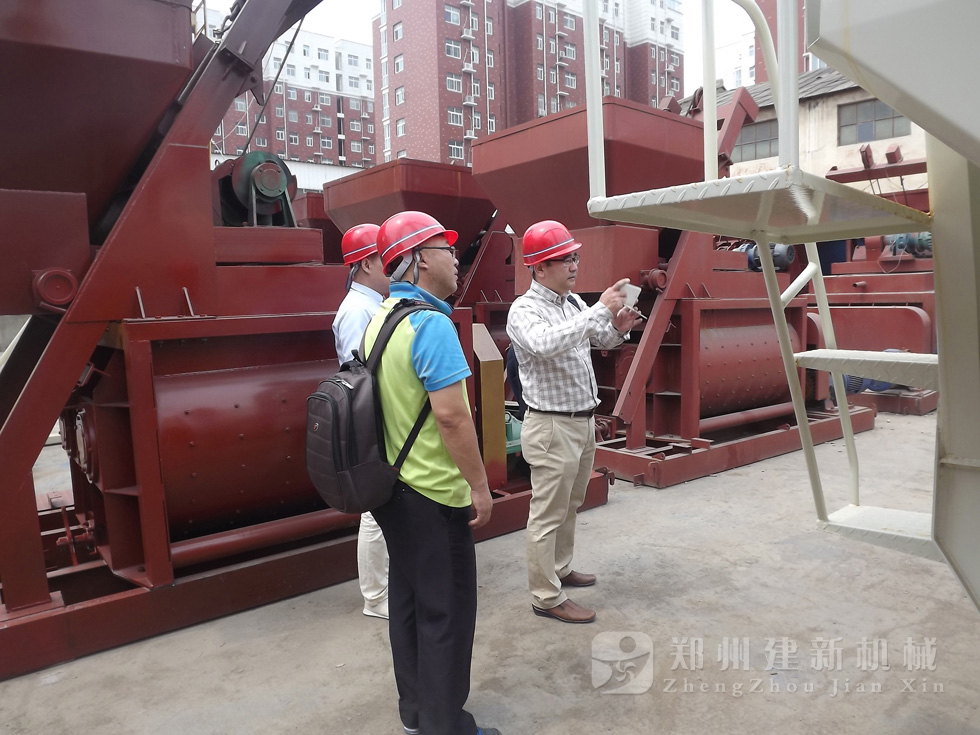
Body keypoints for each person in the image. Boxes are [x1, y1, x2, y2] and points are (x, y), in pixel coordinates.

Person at [364, 210, 501, 735]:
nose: (456, 259)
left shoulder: (381, 319)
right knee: (447, 613)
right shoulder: (432, 324)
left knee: (409, 604)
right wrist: (480, 487)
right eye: (447, 249)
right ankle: (446, 725)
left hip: (393, 490)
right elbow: (451, 417)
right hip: (435, 495)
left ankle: (417, 713)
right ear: (420, 259)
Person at [506, 220, 641, 624]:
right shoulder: (524, 310)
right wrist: (599, 309)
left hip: (580, 423)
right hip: (551, 426)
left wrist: (617, 328)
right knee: (548, 513)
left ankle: (560, 568)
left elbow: (598, 339)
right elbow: (545, 344)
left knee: (570, 504)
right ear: (539, 267)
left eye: (574, 257)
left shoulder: (573, 304)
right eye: (564, 259)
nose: (573, 265)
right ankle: (546, 596)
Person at [332, 223, 391, 620]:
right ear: (367, 263)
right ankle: (376, 597)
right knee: (374, 513)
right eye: (386, 257)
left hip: (379, 419)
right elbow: (361, 376)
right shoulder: (358, 310)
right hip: (373, 422)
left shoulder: (368, 305)